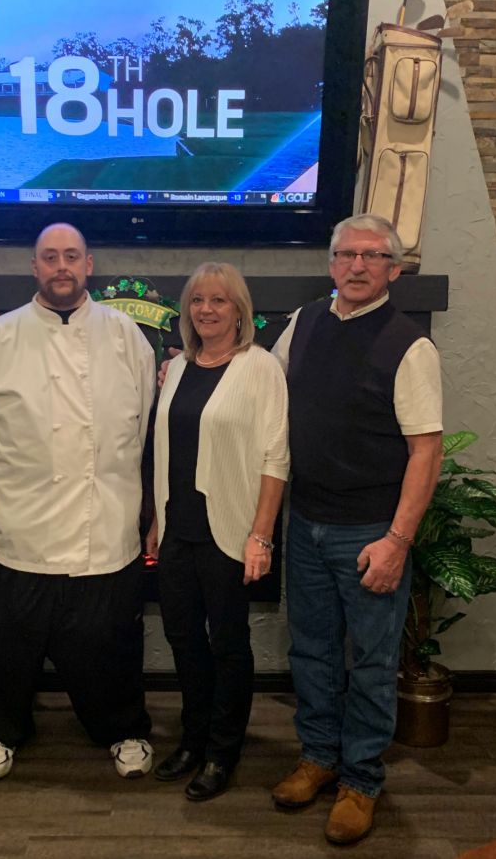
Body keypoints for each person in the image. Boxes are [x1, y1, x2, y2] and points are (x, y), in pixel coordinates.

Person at [270, 213, 443, 845]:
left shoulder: (409, 346)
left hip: (369, 533)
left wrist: (397, 542)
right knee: (311, 652)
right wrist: (188, 365)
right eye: (347, 254)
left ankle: (361, 781)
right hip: (306, 522)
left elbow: (426, 451)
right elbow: (262, 384)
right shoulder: (304, 323)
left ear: (394, 270)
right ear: (332, 263)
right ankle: (318, 757)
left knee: (370, 662)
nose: (358, 266)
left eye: (373, 257)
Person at [0, 223, 156, 782]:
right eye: (50, 257)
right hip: (23, 527)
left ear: (89, 264)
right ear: (34, 267)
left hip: (107, 527)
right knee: (10, 647)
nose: (61, 267)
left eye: (71, 256)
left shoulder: (126, 336)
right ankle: (1, 732)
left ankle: (123, 730)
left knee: (113, 643)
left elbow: (143, 429)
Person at [149, 262, 289, 802]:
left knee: (227, 644)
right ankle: (193, 736)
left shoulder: (260, 368)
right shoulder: (179, 367)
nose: (206, 309)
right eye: (198, 301)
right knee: (183, 639)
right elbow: (166, 449)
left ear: (239, 311)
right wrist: (156, 521)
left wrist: (261, 535)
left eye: (219, 301)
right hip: (177, 529)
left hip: (230, 531)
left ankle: (222, 750)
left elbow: (277, 455)